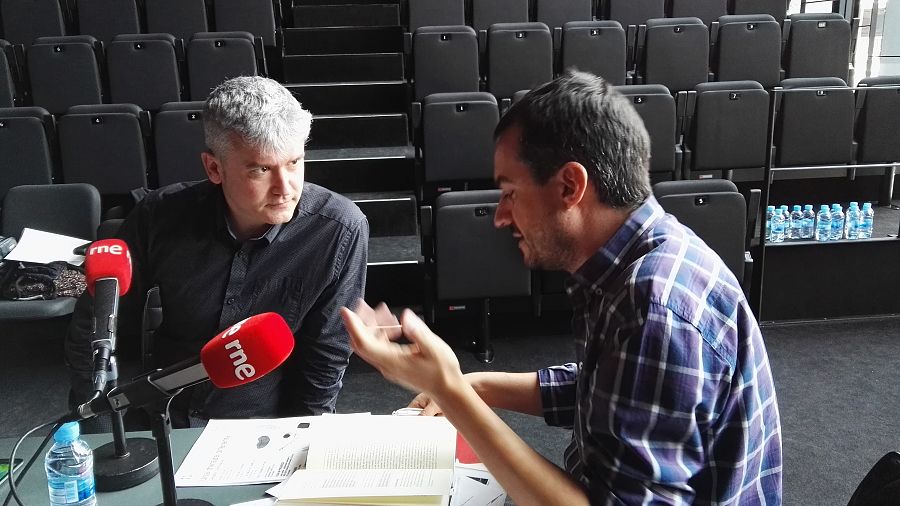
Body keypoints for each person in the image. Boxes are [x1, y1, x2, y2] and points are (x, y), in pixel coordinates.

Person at [342, 71, 782, 505]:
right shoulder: (639, 258)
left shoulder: (656, 304)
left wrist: (451, 394)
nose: (499, 216)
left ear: (570, 186)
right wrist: (473, 385)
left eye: (510, 192)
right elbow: (610, 388)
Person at [66, 76, 369, 428]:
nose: (285, 188)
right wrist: (101, 431)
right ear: (214, 168)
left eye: (294, 163)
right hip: (163, 417)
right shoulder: (159, 216)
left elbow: (326, 356)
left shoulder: (338, 230)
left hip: (262, 424)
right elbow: (93, 329)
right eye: (261, 169)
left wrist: (307, 439)